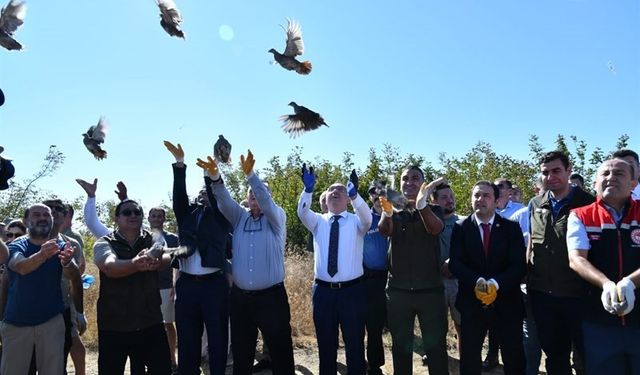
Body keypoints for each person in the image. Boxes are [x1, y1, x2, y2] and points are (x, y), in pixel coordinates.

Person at [199, 150, 295, 375]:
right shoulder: (239, 216)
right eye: (250, 193)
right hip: (241, 300)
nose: (255, 196)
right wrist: (215, 178)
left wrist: (252, 176)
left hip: (272, 298)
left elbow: (266, 202)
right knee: (242, 353)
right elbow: (223, 200)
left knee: (281, 351)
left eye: (260, 193)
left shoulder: (276, 218)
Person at [165, 141, 233, 375]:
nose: (204, 195)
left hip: (214, 285)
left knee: (217, 339)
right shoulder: (187, 216)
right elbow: (178, 197)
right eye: (201, 193)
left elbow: (217, 200)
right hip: (187, 285)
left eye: (208, 193)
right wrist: (180, 165)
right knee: (187, 340)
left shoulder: (222, 215)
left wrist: (209, 176)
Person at [567, 158, 640, 374]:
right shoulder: (580, 215)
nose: (611, 178)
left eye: (619, 173)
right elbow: (577, 259)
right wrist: (606, 284)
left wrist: (630, 282)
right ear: (595, 182)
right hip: (599, 321)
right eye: (605, 174)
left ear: (634, 183)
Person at [297, 165, 372, 375]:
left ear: (348, 199)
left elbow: (368, 218)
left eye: (341, 189)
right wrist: (308, 190)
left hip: (352, 293)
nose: (336, 191)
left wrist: (356, 196)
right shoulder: (318, 221)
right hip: (323, 293)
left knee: (355, 345)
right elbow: (301, 212)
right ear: (326, 197)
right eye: (331, 189)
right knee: (326, 346)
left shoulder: (357, 222)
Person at [528, 151, 595, 375]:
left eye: (556, 171)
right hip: (542, 296)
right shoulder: (536, 203)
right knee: (555, 357)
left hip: (578, 296)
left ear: (568, 170)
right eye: (545, 172)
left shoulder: (588, 203)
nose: (550, 176)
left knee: (587, 357)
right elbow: (532, 246)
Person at [449, 181, 526, 375]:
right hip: (471, 303)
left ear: (497, 200)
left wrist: (495, 283)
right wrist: (478, 282)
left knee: (513, 355)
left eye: (485, 195)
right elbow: (456, 263)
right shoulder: (461, 227)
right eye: (476, 195)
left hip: (507, 302)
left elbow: (518, 265)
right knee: (470, 356)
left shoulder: (510, 228)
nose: (480, 199)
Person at [378, 166, 448, 375]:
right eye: (405, 179)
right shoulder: (394, 210)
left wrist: (421, 206)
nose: (409, 182)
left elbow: (435, 229)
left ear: (423, 183)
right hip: (398, 292)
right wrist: (387, 212)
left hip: (430, 291)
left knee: (435, 347)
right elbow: (384, 230)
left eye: (415, 178)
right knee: (400, 347)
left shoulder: (434, 209)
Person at [93, 199, 173, 374]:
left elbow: (166, 257)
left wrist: (156, 261)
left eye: (137, 212)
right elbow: (109, 267)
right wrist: (136, 264)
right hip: (114, 326)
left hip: (150, 322)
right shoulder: (103, 242)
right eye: (127, 212)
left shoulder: (153, 238)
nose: (133, 215)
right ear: (116, 218)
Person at [1, 204, 76, 374]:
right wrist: (42, 255)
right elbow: (20, 267)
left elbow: (73, 276)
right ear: (26, 221)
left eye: (46, 215)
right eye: (36, 215)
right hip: (16, 323)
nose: (42, 218)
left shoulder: (62, 245)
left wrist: (67, 263)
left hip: (51, 322)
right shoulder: (16, 245)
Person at [482, 177, 525, 370]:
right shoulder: (475, 218)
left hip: (508, 283)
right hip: (483, 285)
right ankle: (492, 356)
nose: (496, 190)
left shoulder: (519, 214)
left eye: (501, 187)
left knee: (511, 339)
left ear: (509, 191)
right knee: (490, 325)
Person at [42, 199, 86, 374]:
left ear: (64, 214)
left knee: (61, 356)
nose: (54, 212)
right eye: (49, 209)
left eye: (59, 209)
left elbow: (78, 276)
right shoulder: (28, 242)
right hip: (33, 309)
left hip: (64, 307)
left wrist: (80, 313)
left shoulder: (72, 243)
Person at [148, 207, 180, 372]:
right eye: (153, 216)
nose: (156, 219)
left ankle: (172, 360)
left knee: (168, 325)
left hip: (166, 287)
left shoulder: (173, 238)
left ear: (164, 219)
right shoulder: (144, 237)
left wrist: (176, 285)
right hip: (147, 289)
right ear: (148, 218)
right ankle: (152, 362)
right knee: (150, 326)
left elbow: (178, 265)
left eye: (159, 216)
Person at [362, 182, 389, 375]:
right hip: (368, 279)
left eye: (382, 193)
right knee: (368, 325)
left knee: (385, 325)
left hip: (393, 279)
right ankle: (367, 363)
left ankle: (380, 364)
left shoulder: (396, 215)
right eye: (374, 194)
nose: (378, 197)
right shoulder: (364, 218)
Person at [432, 183, 462, 355]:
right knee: (436, 326)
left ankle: (465, 362)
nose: (449, 200)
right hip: (435, 282)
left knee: (462, 325)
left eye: (451, 196)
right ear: (434, 201)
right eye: (444, 197)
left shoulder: (464, 221)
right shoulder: (428, 222)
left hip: (458, 282)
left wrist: (453, 262)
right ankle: (438, 359)